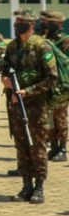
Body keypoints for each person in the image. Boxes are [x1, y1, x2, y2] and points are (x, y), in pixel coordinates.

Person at [2, 9, 58, 204]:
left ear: (31, 24)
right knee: (21, 145)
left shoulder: (42, 46)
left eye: (22, 22)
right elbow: (4, 69)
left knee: (38, 146)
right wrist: (6, 82)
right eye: (16, 22)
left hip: (36, 105)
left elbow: (51, 78)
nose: (17, 25)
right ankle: (26, 185)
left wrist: (28, 91)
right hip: (16, 104)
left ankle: (39, 186)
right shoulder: (12, 46)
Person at [40, 10, 69, 162]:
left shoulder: (66, 41)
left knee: (61, 118)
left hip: (61, 85)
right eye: (47, 22)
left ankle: (63, 148)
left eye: (52, 22)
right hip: (47, 84)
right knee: (49, 117)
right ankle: (54, 146)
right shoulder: (43, 39)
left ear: (60, 24)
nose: (48, 24)